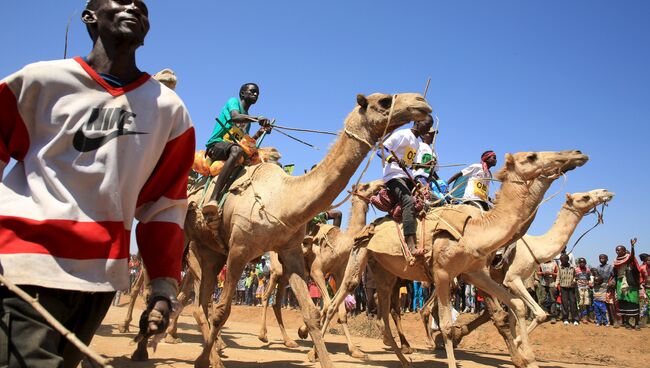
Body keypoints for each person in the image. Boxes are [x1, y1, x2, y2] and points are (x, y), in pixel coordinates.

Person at [0, 1, 194, 366]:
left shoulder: (170, 110)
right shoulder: (39, 81)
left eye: (142, 7)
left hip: (100, 282)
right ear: (90, 17)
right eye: (121, 0)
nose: (134, 7)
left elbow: (163, 207)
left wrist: (164, 287)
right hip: (23, 263)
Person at [202, 83, 272, 217]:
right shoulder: (233, 102)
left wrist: (261, 132)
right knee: (237, 151)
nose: (256, 94)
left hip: (233, 149)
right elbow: (235, 116)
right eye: (252, 91)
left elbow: (244, 142)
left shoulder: (247, 120)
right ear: (242, 93)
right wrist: (257, 118)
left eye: (257, 93)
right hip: (217, 146)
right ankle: (213, 198)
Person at [381, 116, 433, 256]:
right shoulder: (402, 134)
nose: (428, 129)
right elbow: (381, 148)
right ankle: (410, 244)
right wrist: (391, 158)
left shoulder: (416, 142)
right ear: (417, 121)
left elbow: (410, 164)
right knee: (408, 201)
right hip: (394, 177)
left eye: (429, 127)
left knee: (427, 200)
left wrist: (423, 166)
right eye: (427, 125)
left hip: (407, 177)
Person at [612, 239, 642, 330]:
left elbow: (632, 256)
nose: (617, 251)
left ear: (624, 251)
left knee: (633, 302)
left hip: (630, 283)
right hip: (620, 283)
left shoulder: (629, 259)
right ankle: (627, 323)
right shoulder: (615, 261)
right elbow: (615, 273)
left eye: (619, 250)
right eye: (616, 250)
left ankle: (636, 323)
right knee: (623, 303)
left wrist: (632, 246)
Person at [557, 253, 579, 325]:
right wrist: (556, 285)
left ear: (567, 260)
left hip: (571, 287)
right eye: (561, 260)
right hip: (563, 287)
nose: (562, 261)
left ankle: (575, 319)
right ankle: (565, 318)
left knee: (573, 302)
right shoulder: (559, 268)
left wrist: (574, 281)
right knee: (564, 303)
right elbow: (558, 277)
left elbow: (576, 276)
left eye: (563, 260)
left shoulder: (573, 267)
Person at [595, 253, 616, 325]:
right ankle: (601, 320)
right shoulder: (598, 267)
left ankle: (612, 320)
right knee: (600, 304)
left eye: (603, 258)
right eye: (600, 258)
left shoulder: (610, 267)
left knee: (609, 304)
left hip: (608, 287)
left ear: (607, 259)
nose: (601, 259)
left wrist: (612, 283)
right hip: (600, 288)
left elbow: (614, 276)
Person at [575, 257, 594, 322]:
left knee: (587, 302)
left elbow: (589, 278)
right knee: (581, 303)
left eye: (583, 262)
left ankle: (589, 317)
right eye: (581, 262)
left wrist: (590, 284)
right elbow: (575, 278)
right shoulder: (576, 270)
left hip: (586, 288)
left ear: (585, 263)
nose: (582, 263)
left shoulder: (588, 270)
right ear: (578, 263)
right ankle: (582, 317)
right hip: (579, 288)